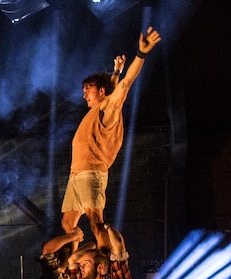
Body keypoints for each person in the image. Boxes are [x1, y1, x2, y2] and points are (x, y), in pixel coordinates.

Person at [61, 27, 161, 248]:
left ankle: (105, 264)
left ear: (101, 92)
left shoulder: (109, 109)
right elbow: (115, 86)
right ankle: (75, 264)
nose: (84, 94)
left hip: (91, 172)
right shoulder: (98, 110)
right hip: (76, 174)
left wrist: (141, 54)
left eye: (88, 89)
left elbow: (124, 86)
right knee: (68, 224)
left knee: (95, 222)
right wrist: (115, 71)